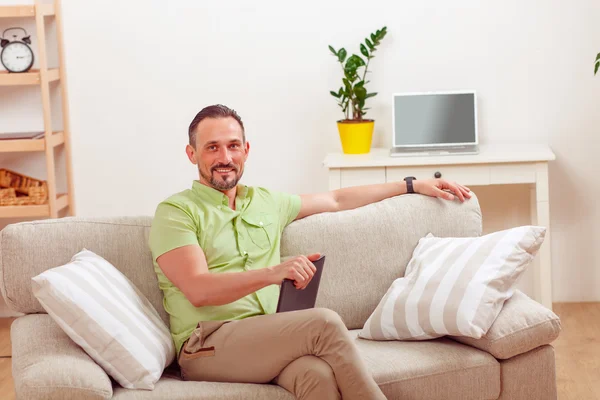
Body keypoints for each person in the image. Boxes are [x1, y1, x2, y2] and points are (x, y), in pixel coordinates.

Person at [148, 104, 472, 400]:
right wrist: (273, 274)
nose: (225, 157)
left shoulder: (266, 202)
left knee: (315, 376)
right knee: (324, 323)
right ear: (192, 154)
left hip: (265, 335)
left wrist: (411, 185)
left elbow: (336, 201)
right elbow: (198, 289)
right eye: (212, 147)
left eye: (233, 146)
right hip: (206, 346)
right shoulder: (177, 212)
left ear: (246, 150)